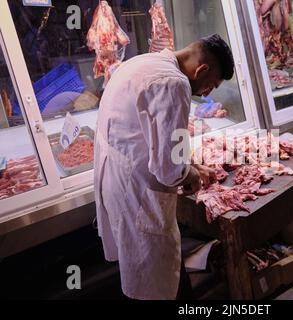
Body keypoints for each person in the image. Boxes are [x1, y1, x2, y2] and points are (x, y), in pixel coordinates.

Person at [94, 34, 234, 300]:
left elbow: (156, 137)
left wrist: (189, 163)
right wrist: (189, 172)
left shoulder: (145, 62)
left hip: (118, 181)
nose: (207, 93)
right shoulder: (175, 83)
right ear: (201, 70)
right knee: (154, 276)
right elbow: (169, 169)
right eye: (211, 85)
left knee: (154, 270)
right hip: (138, 195)